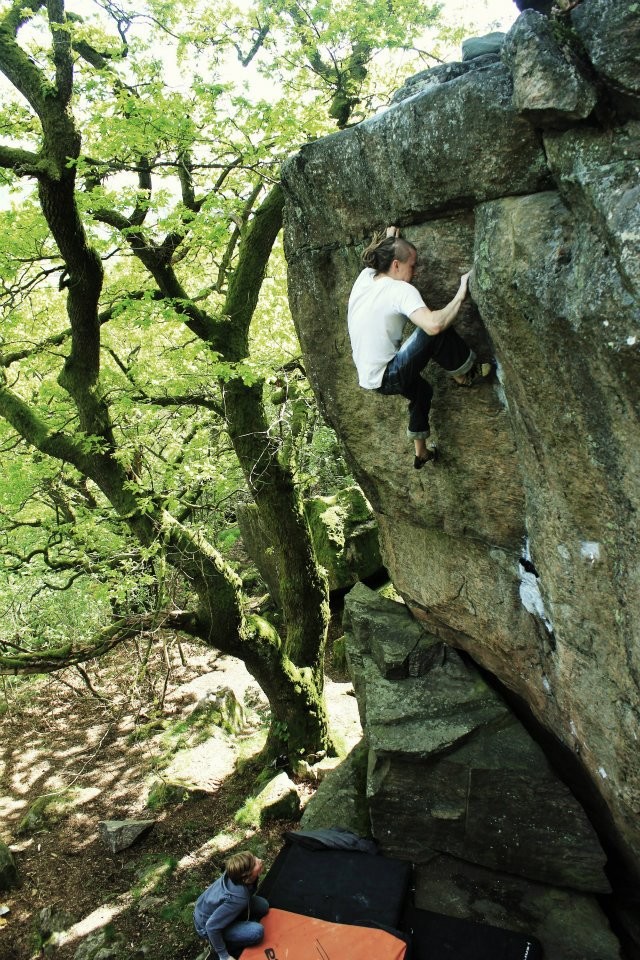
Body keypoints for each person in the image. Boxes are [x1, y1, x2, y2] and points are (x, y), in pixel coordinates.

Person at [347, 226, 489, 469]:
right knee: (432, 329)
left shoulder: (365, 278)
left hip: (370, 378)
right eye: (412, 266)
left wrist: (391, 239)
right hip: (389, 374)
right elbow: (434, 325)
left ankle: (421, 452)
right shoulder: (400, 290)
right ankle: (465, 373)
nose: (415, 271)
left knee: (422, 391)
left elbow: (385, 258)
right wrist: (460, 294)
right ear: (396, 265)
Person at [194, 851, 268, 960]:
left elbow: (249, 891)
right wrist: (224, 956)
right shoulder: (238, 897)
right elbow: (211, 927)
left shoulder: (235, 874)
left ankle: (234, 922)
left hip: (213, 910)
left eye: (254, 857)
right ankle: (216, 947)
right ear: (246, 876)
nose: (259, 860)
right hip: (206, 926)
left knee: (263, 906)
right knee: (257, 932)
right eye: (254, 863)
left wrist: (256, 874)